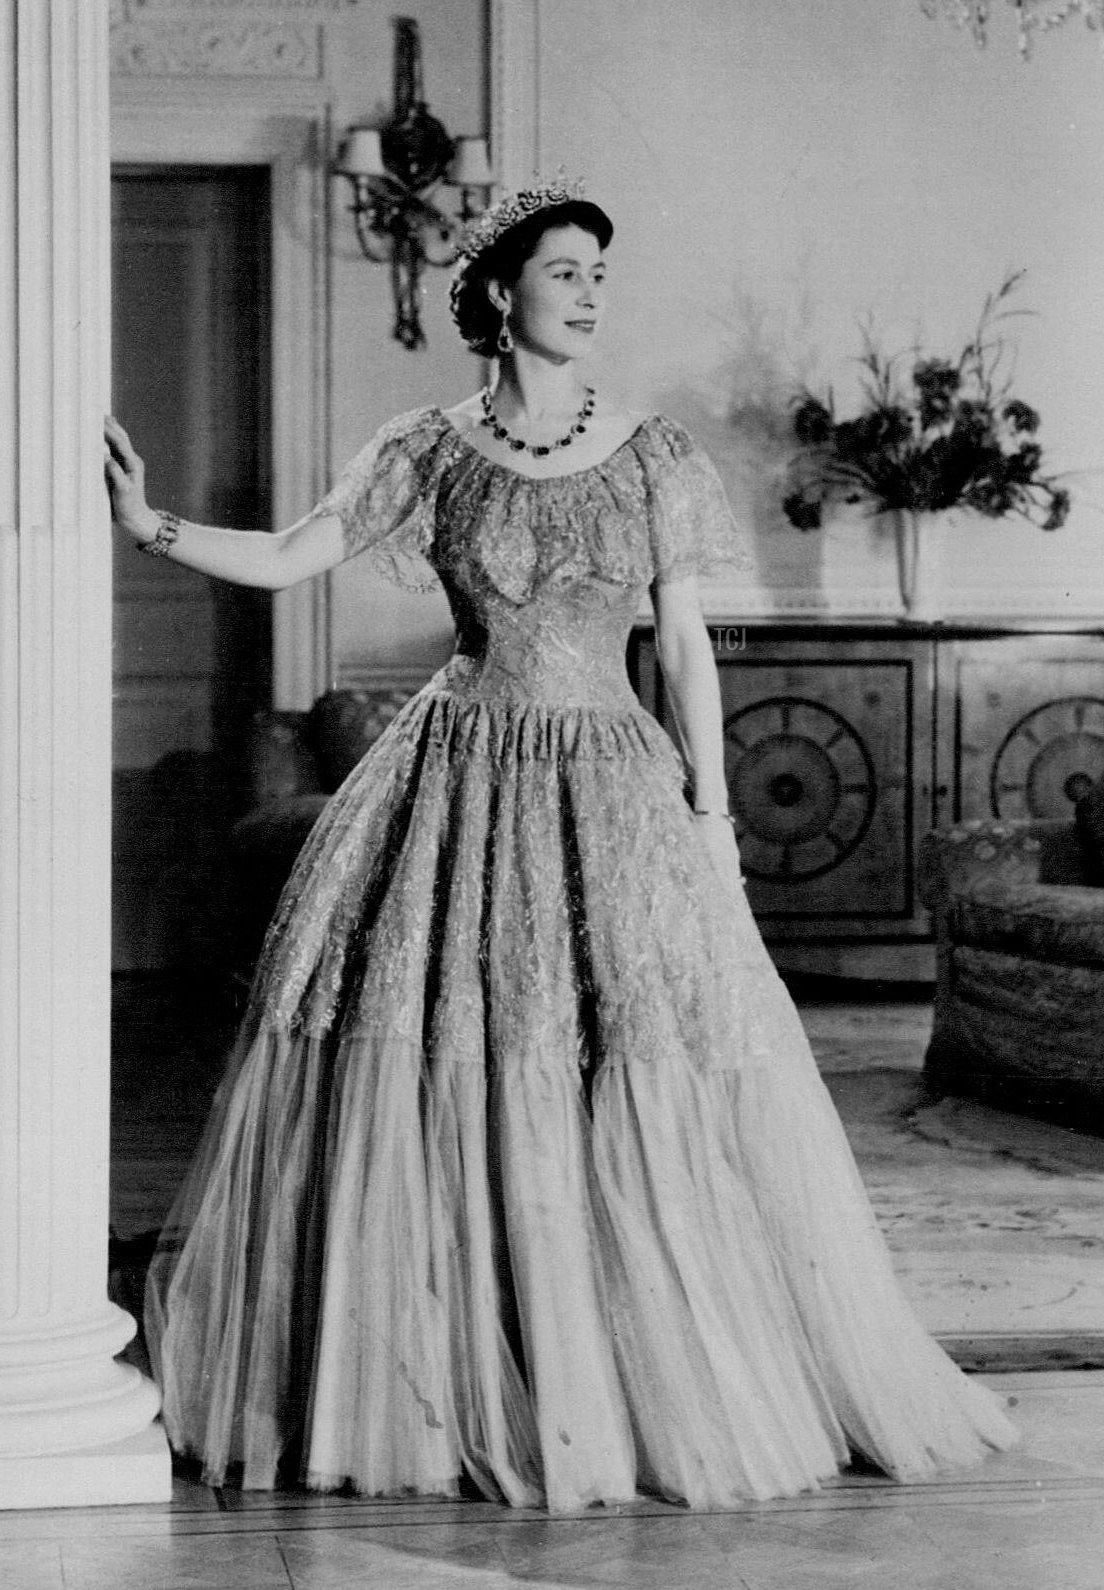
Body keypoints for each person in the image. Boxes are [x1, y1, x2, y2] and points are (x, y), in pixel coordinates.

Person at [104, 178, 1018, 1514]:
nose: (592, 291)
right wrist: (154, 527)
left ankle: (625, 1369)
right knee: (453, 1055)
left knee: (622, 1051)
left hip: (611, 776)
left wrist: (712, 813)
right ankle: (470, 1359)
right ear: (499, 292)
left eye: (601, 271)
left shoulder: (653, 452)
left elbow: (685, 645)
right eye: (567, 270)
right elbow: (302, 550)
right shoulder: (427, 442)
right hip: (460, 771)